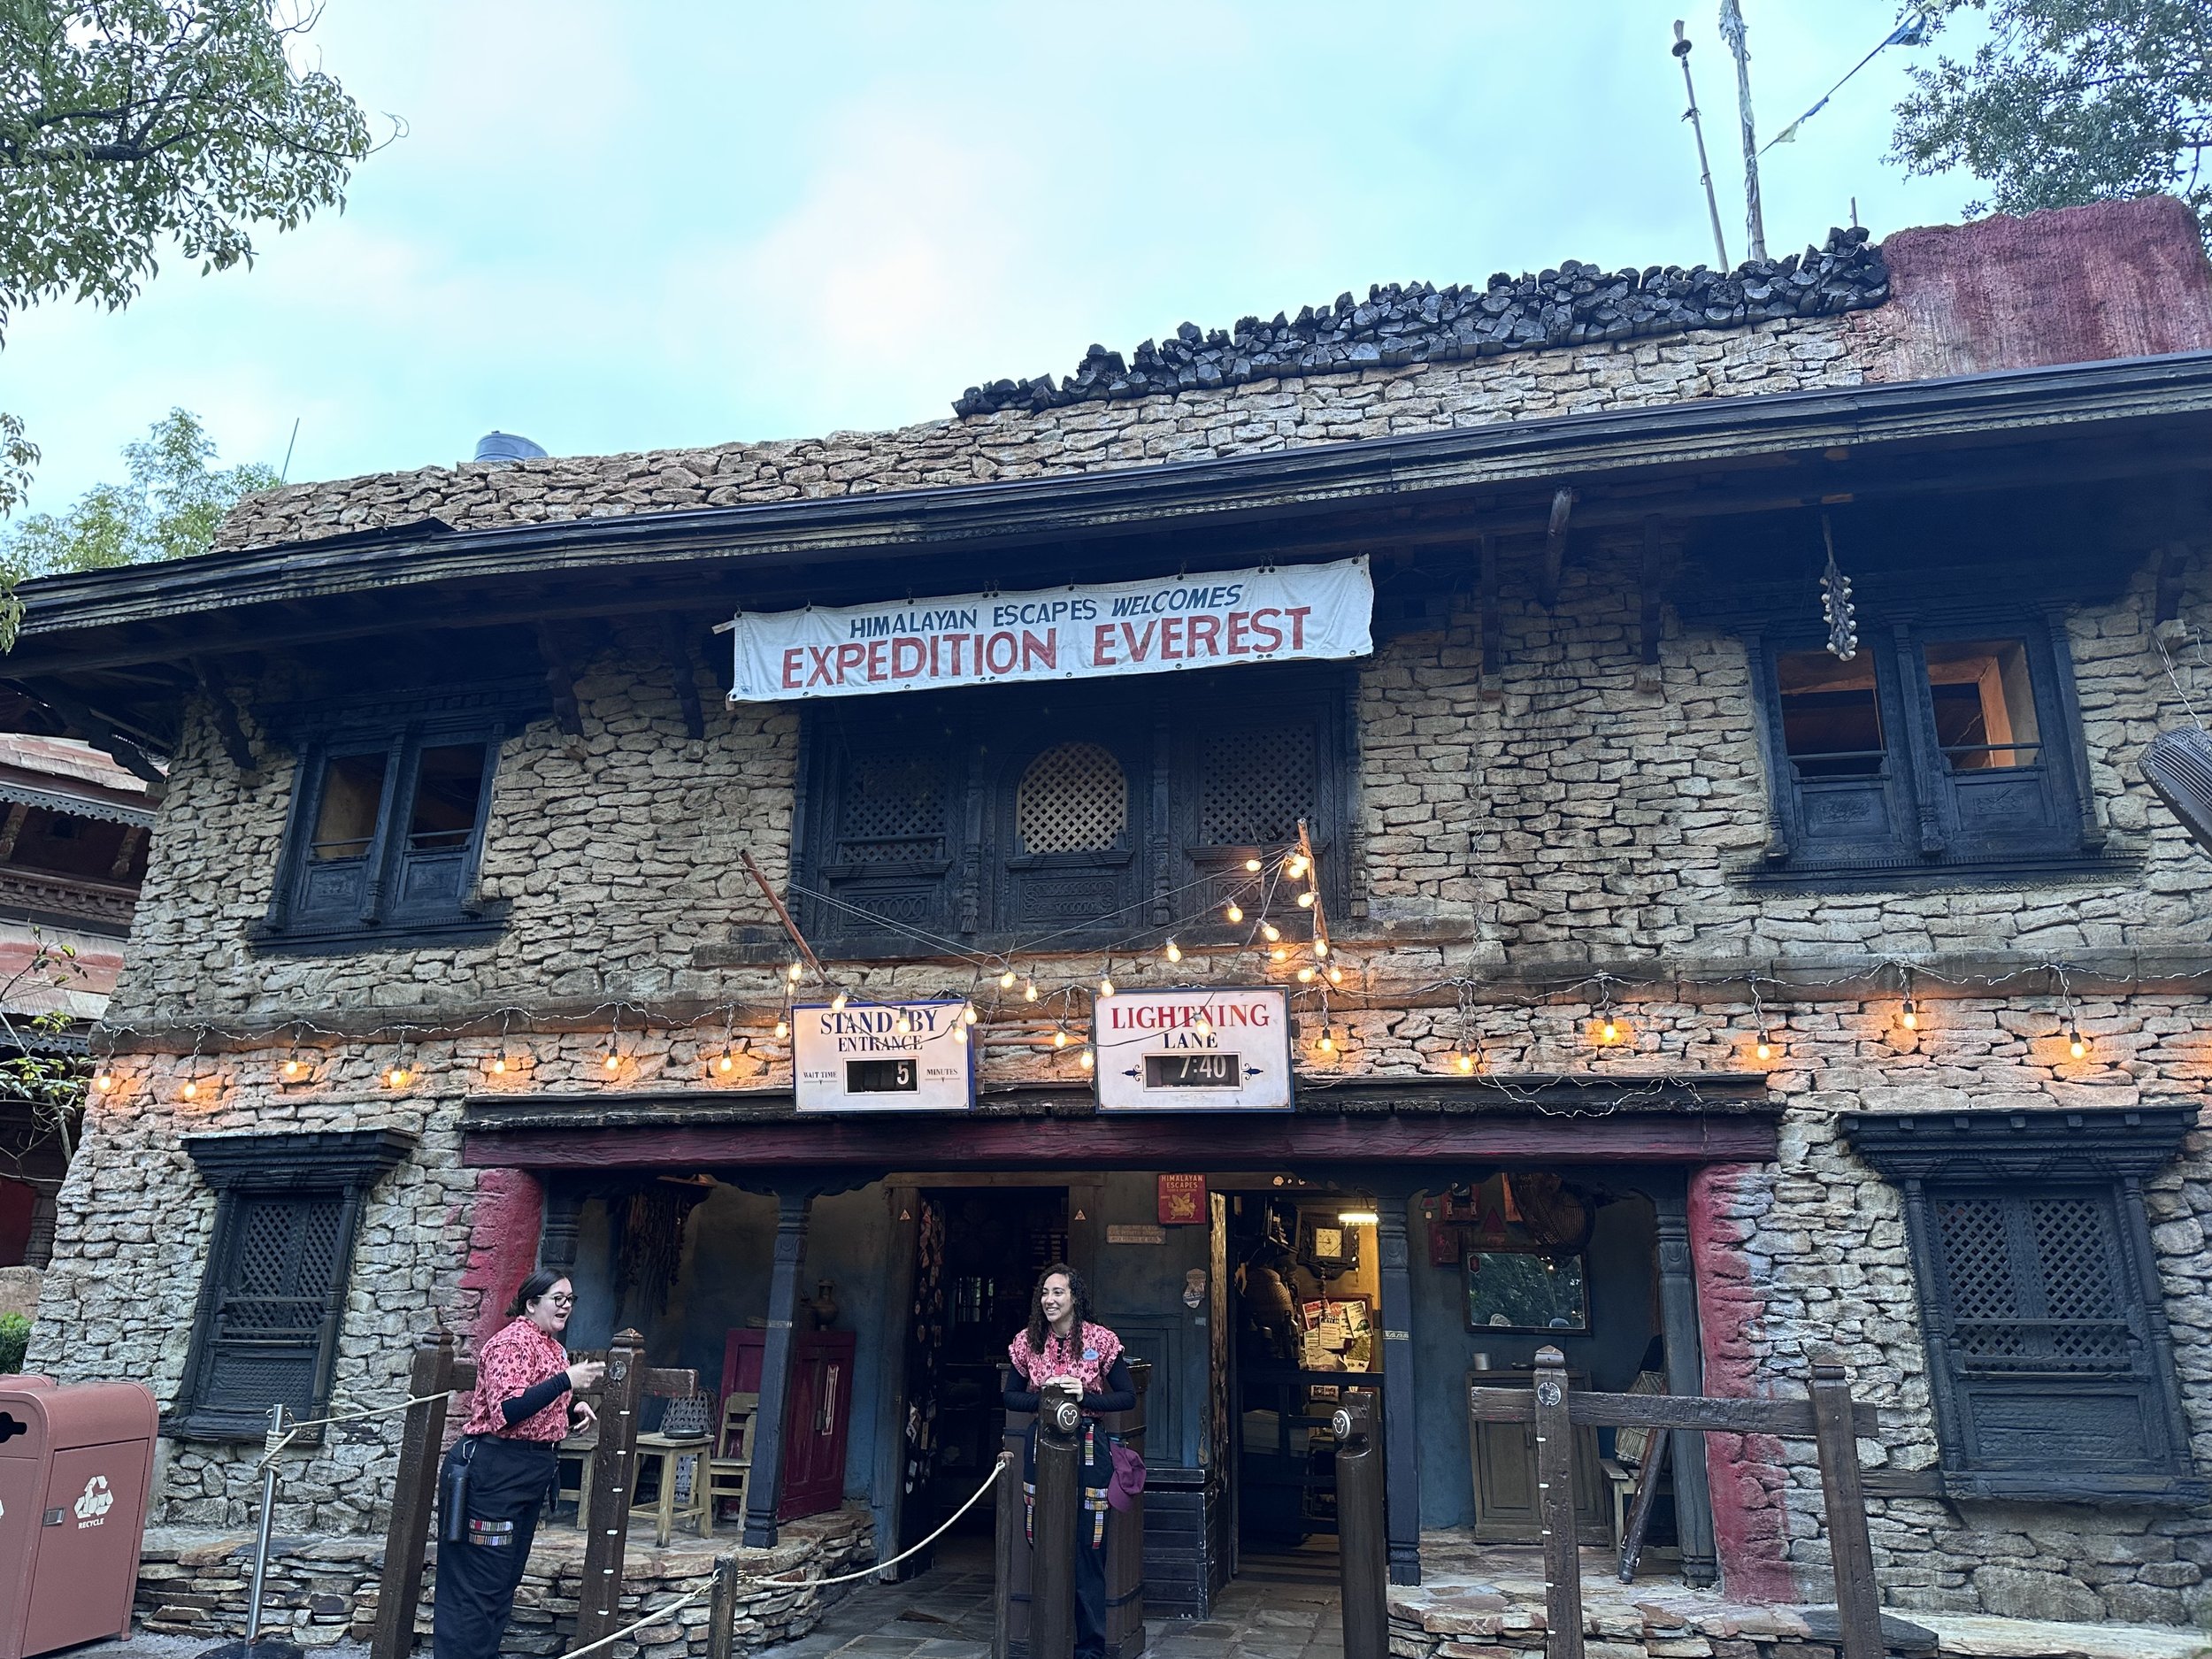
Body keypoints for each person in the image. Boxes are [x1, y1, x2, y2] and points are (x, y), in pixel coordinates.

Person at [433, 1270, 604, 1659]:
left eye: (570, 1299)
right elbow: (508, 1410)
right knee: (479, 1585)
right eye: (557, 1298)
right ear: (531, 1303)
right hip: (491, 1474)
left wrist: (569, 1409)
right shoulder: (510, 1343)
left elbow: (535, 1401)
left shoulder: (553, 1348)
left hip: (529, 1474)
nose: (565, 1306)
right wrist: (566, 1382)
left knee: (502, 1583)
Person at [1003, 1263, 1133, 1659]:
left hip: (1090, 1449)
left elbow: (1126, 1396)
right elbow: (1011, 1396)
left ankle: (1090, 1649)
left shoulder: (1101, 1340)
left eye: (1058, 1292)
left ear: (1075, 1296)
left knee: (1087, 1548)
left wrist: (1083, 1399)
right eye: (1045, 1293)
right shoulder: (1028, 1341)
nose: (1050, 1300)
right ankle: (1045, 1638)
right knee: (1040, 1536)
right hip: (1041, 1447)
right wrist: (1045, 1396)